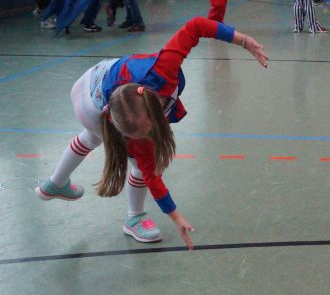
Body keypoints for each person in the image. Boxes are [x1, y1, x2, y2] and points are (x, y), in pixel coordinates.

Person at [35, 17, 269, 248]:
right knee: (140, 164)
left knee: (91, 136)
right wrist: (175, 216)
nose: (150, 136)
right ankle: (135, 217)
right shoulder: (136, 122)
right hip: (93, 100)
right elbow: (152, 175)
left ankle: (55, 183)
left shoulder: (163, 70)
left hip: (87, 83)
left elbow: (196, 26)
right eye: (144, 134)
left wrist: (243, 40)